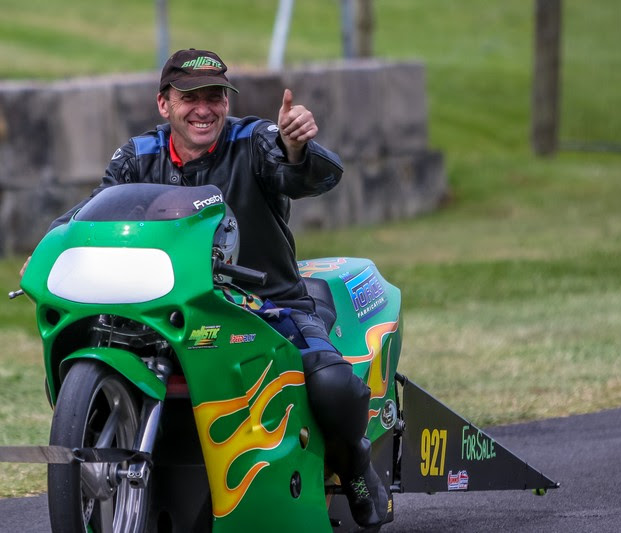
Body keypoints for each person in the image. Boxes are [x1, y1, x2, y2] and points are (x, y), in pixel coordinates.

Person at [36, 48, 390, 527]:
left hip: (268, 304)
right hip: (163, 312)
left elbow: (311, 175)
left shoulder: (257, 140)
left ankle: (357, 468)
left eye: (215, 96)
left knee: (331, 385)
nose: (204, 108)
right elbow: (93, 213)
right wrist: (51, 246)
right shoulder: (137, 155)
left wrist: (296, 148)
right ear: (164, 104)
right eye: (190, 97)